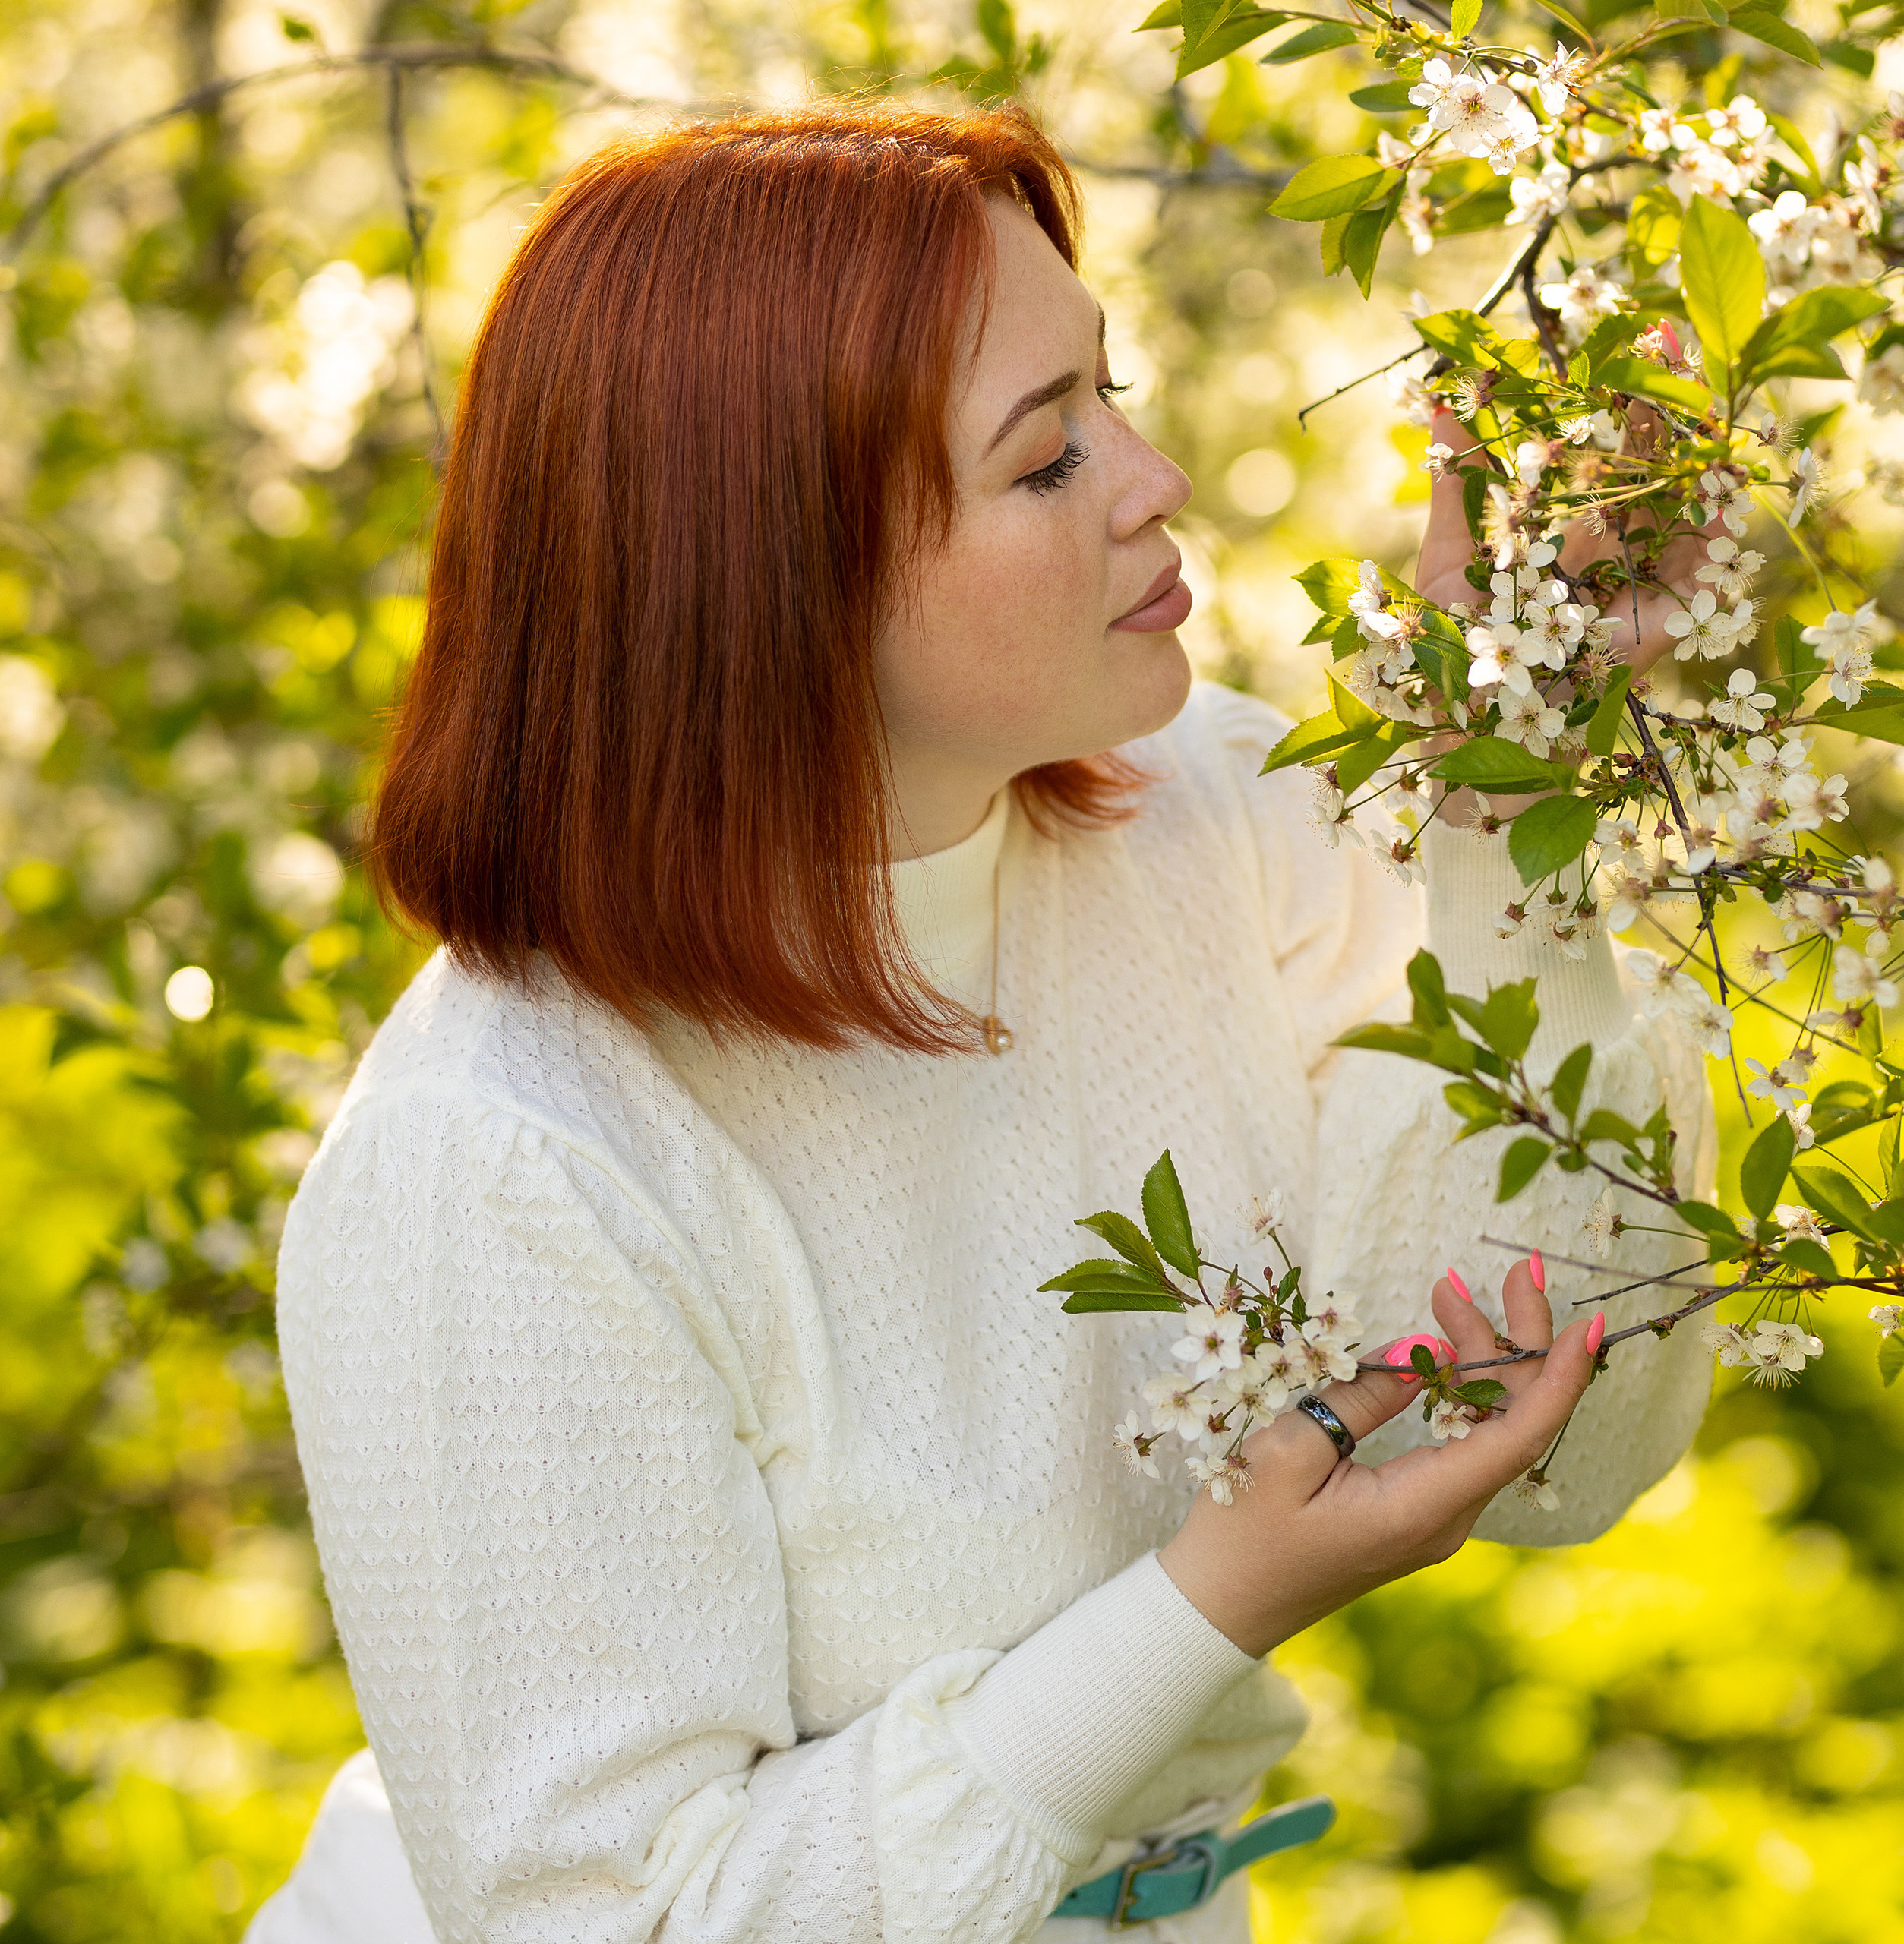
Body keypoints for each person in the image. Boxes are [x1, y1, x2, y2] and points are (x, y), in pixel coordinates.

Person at [249, 102, 1712, 1944]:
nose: (1153, 477)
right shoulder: (508, 1156)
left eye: (1112, 392)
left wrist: (1517, 819)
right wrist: (1198, 1603)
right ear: (767, 578)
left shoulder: (1198, 816)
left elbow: (1561, 1445)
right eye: (1044, 461)